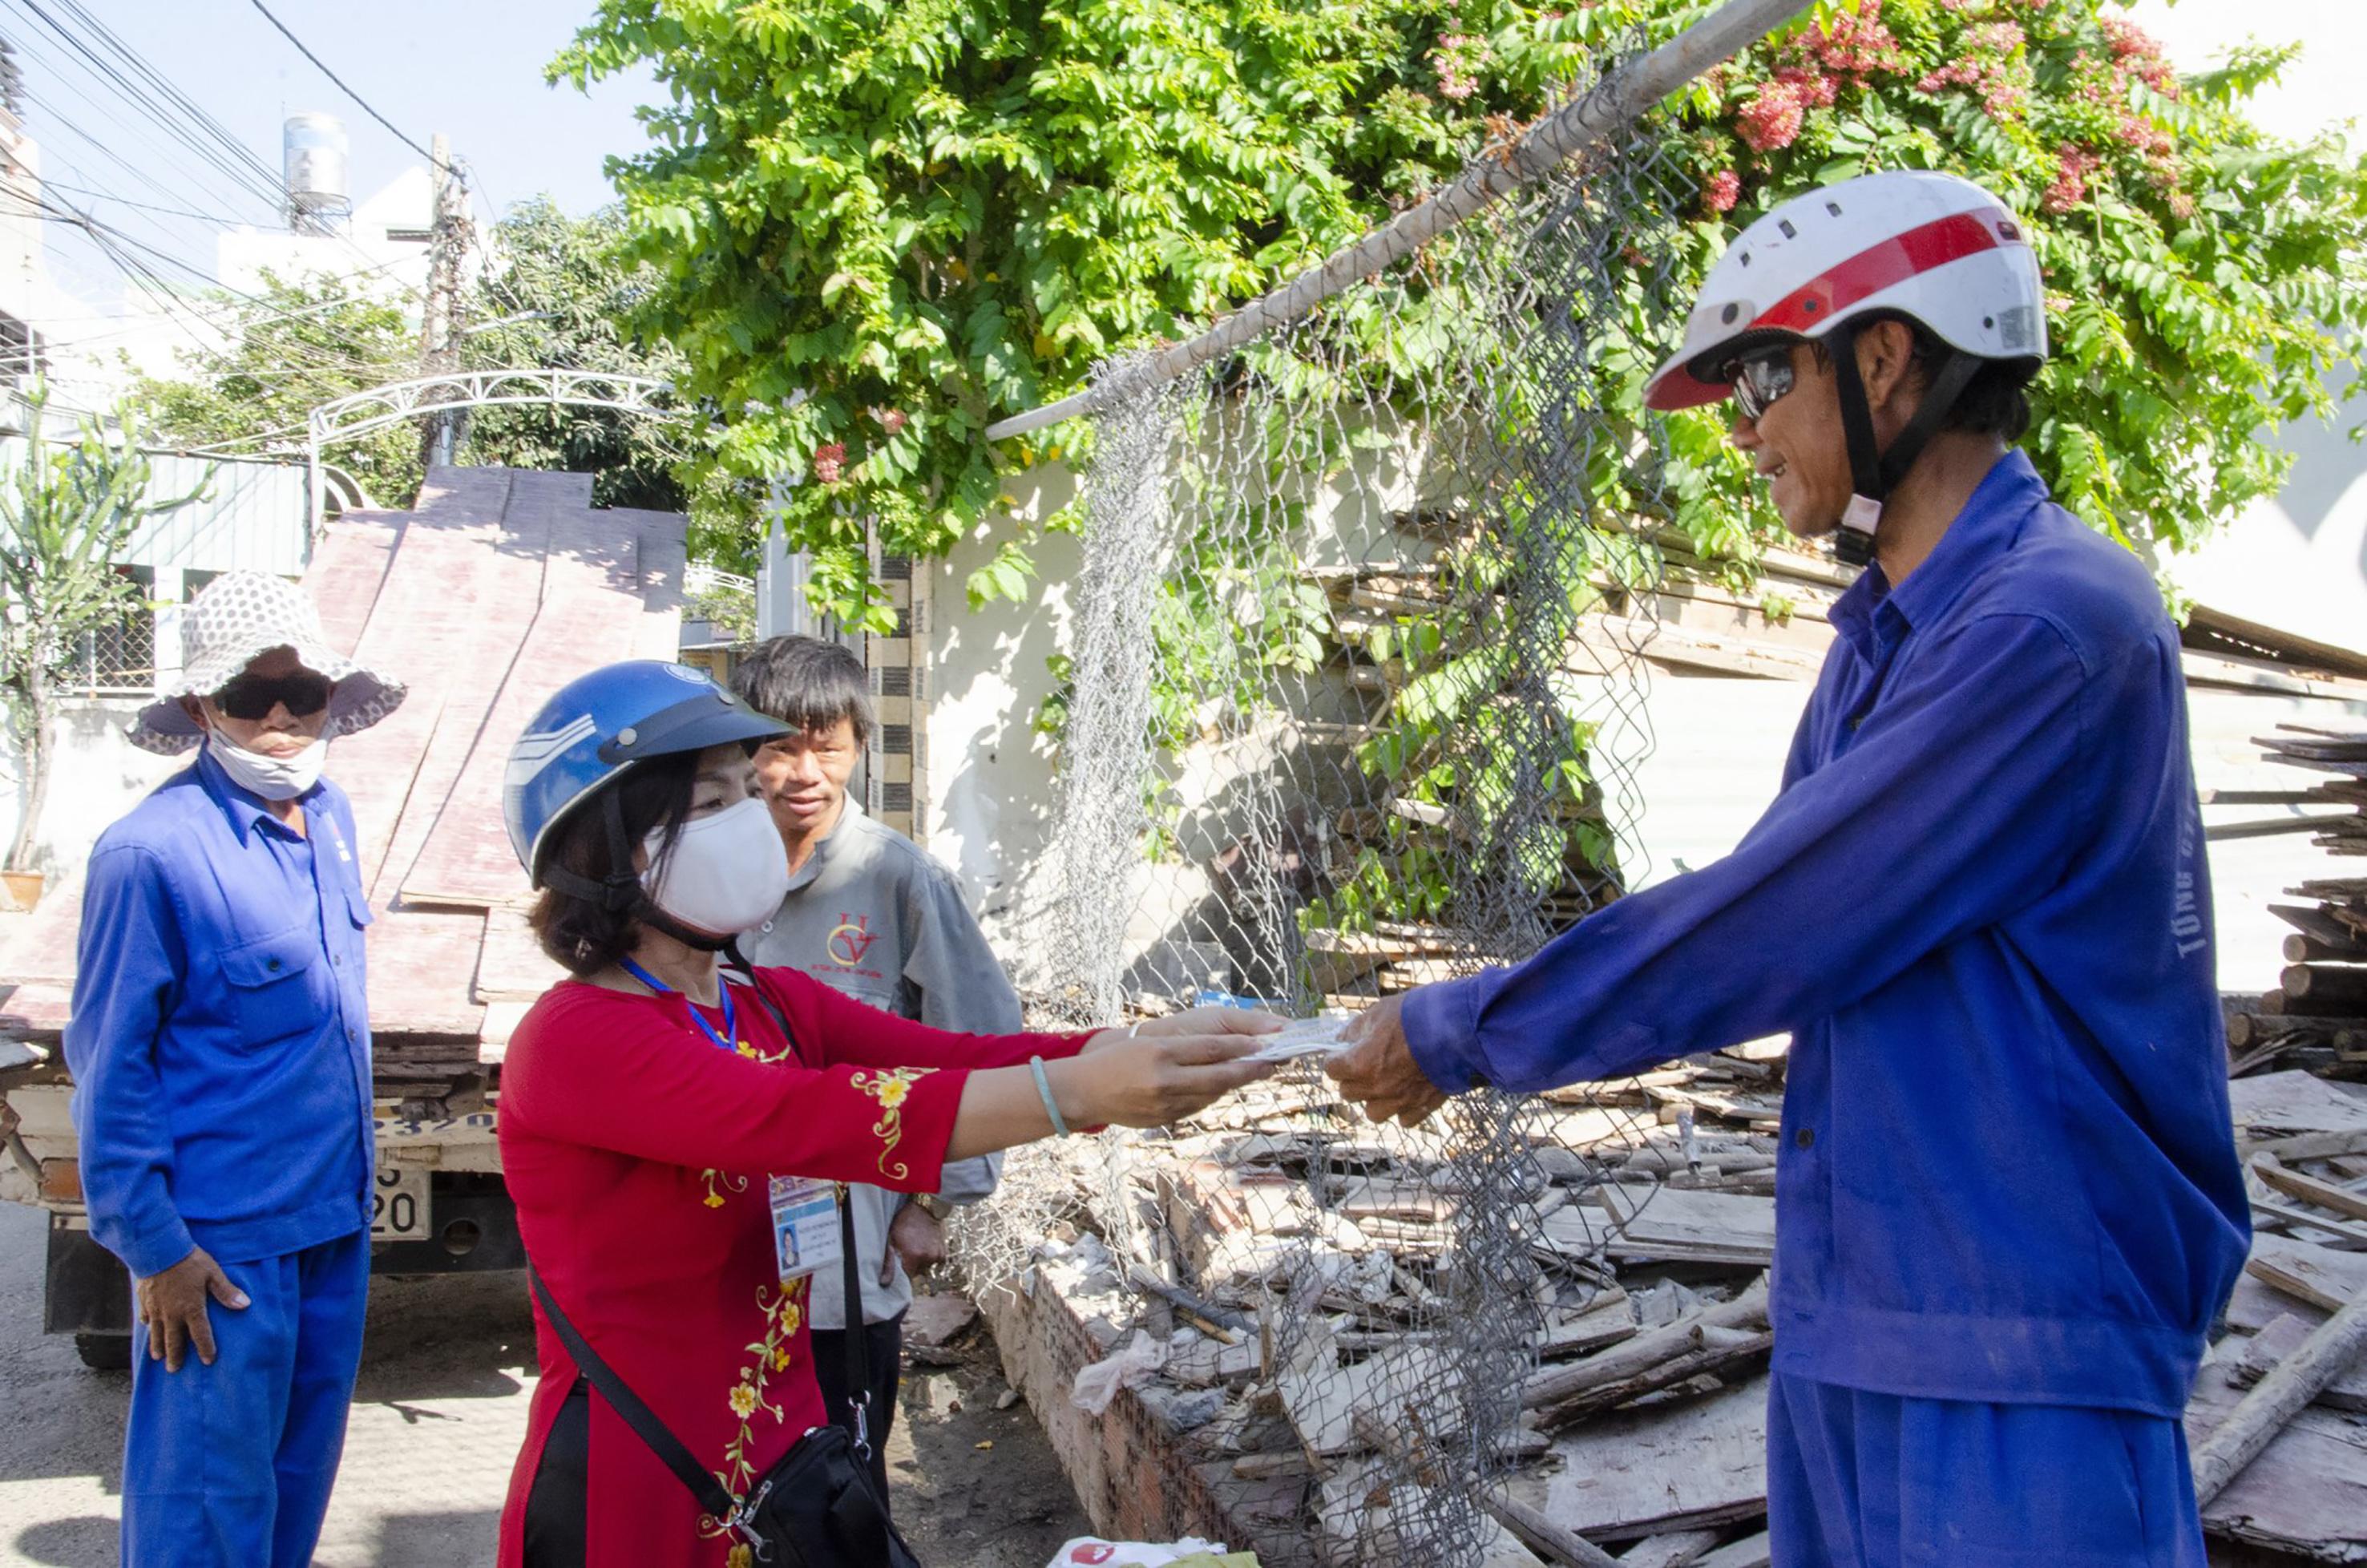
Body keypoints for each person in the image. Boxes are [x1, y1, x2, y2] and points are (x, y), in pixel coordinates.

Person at [1328, 170, 2249, 1567]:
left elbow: (1772, 924)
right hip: (1866, 1320)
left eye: (1763, 375)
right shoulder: (1886, 633)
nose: (1743, 431)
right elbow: (1779, 909)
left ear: (1886, 357)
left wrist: (1460, 1028)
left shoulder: (2047, 627)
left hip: (2019, 1355)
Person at [492, 660, 1278, 1568]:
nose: (754, 817)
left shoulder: (765, 1003)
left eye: (746, 791)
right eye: (708, 805)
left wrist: (1142, 1043)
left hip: (783, 1466)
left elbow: (961, 1056)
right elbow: (810, 1116)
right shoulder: (578, 1039)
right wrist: (1080, 1097)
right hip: (639, 1489)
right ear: (602, 852)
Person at [63, 570, 406, 1568]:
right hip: (218, 1254)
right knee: (204, 1522)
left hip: (330, 1229)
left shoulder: (329, 818)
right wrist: (155, 1250)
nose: (282, 717)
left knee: (292, 1502)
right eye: (251, 696)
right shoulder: (148, 855)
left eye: (303, 693)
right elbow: (110, 1064)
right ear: (203, 706)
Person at [728, 635, 1014, 1505]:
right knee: (727, 1486)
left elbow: (976, 1036)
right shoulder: (697, 875)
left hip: (845, 1263)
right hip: (716, 1251)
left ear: (858, 746)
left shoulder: (899, 879)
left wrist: (929, 1202)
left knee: (840, 1492)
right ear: (745, 749)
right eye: (781, 744)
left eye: (830, 744)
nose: (806, 770)